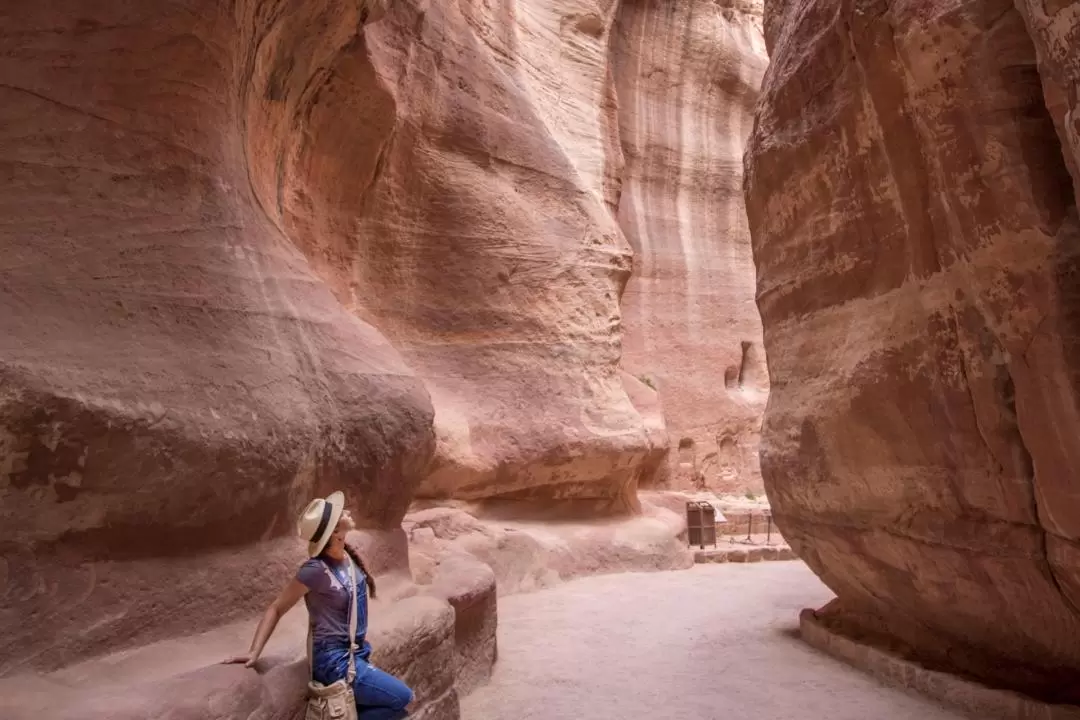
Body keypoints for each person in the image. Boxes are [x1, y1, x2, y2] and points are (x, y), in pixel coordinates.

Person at [224, 491, 414, 719]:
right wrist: (254, 651)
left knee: (398, 711)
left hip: (356, 653)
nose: (346, 512)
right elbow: (277, 607)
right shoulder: (315, 570)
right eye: (339, 514)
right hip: (333, 661)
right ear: (334, 531)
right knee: (402, 698)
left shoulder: (347, 557)